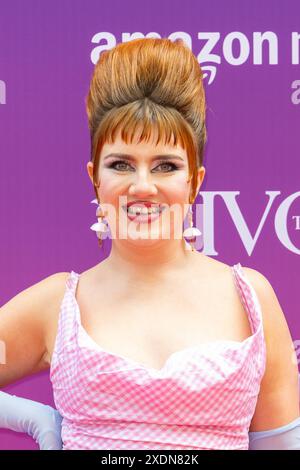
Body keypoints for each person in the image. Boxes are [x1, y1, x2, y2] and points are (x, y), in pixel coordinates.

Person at [0, 37, 299, 450]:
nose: (142, 187)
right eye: (121, 164)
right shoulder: (57, 304)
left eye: (166, 166)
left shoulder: (250, 299)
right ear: (95, 178)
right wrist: (33, 419)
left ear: (194, 182)